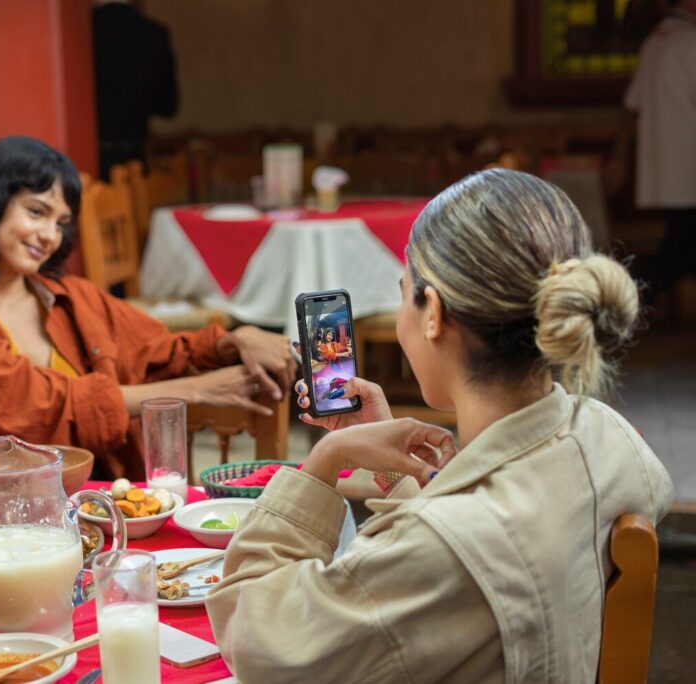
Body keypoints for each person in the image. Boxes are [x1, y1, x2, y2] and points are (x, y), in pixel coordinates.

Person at [206, 169, 674, 682]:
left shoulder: (439, 551)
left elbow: (255, 639)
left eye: (401, 289)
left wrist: (322, 463)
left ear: (432, 312)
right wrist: (390, 470)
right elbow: (467, 559)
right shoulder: (609, 438)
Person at [0, 136, 292, 479]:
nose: (49, 236)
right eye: (36, 212)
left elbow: (161, 351)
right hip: (1, 517)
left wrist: (236, 340)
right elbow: (41, 409)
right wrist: (195, 390)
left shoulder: (69, 296)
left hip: (103, 502)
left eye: (61, 223)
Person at [610, 0, 696, 304]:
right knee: (678, 255)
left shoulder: (654, 42)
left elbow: (630, 107)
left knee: (680, 249)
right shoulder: (689, 42)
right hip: (688, 171)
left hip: (668, 171)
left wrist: (619, 157)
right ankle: (622, 302)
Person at [92, 0, 178, 178]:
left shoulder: (82, 29)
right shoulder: (155, 33)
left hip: (90, 163)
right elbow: (169, 106)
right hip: (137, 157)